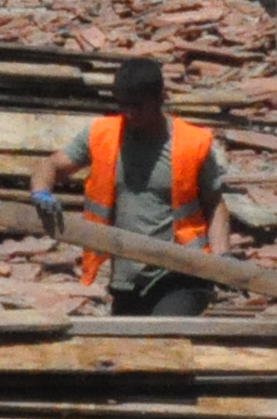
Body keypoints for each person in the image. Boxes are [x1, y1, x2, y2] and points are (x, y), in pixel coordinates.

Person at [27, 56, 226, 318]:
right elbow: (51, 165)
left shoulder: (192, 143)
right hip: (127, 277)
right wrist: (41, 191)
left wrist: (222, 257)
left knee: (164, 339)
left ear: (160, 98)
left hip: (183, 271)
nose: (130, 115)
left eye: (138, 106)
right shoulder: (102, 135)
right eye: (124, 106)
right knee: (131, 351)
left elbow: (215, 204)